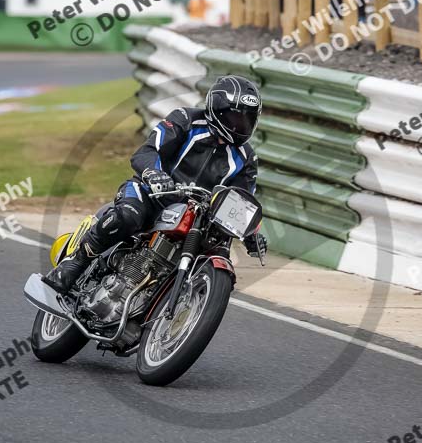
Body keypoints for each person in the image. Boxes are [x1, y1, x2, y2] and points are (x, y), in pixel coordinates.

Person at [43, 76, 268, 293]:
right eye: (235, 118)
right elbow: (147, 151)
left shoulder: (246, 158)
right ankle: (75, 262)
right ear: (216, 110)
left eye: (247, 119)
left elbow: (241, 200)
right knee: (129, 216)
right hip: (153, 194)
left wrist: (251, 235)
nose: (240, 126)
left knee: (218, 250)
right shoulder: (186, 120)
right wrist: (154, 173)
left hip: (196, 218)